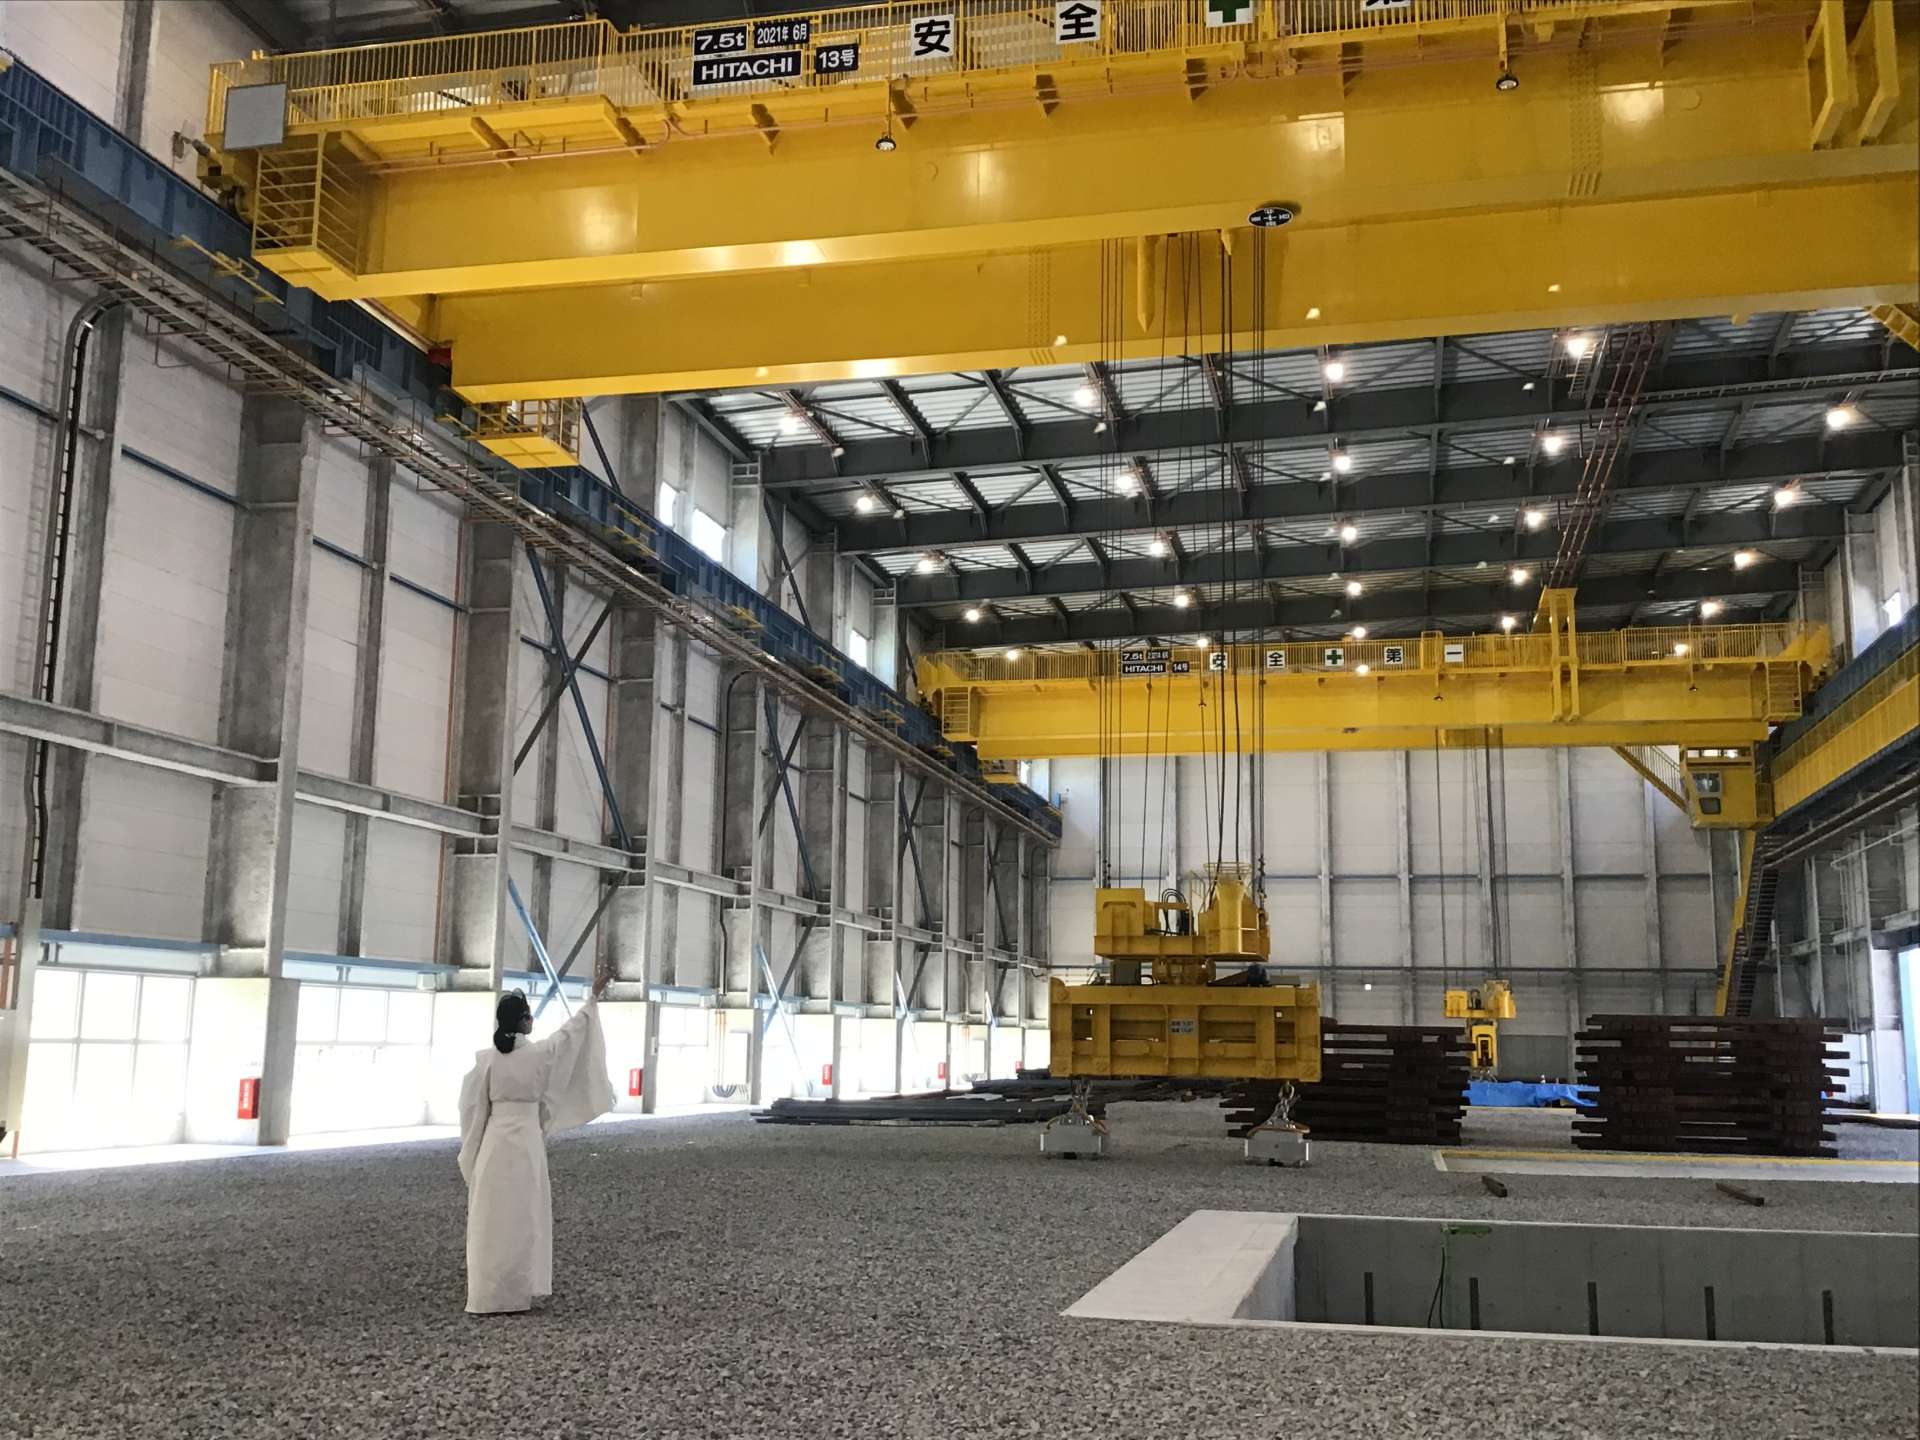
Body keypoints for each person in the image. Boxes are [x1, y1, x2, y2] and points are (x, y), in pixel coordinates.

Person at [456, 978, 614, 1314]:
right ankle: (518, 1292)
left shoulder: (487, 1060)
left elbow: (472, 1109)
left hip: (494, 1144)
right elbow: (571, 1035)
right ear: (524, 1021)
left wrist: (472, 1150)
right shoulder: (539, 1055)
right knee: (523, 1215)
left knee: (490, 1217)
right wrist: (592, 1000)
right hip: (525, 1143)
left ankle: (485, 1294)